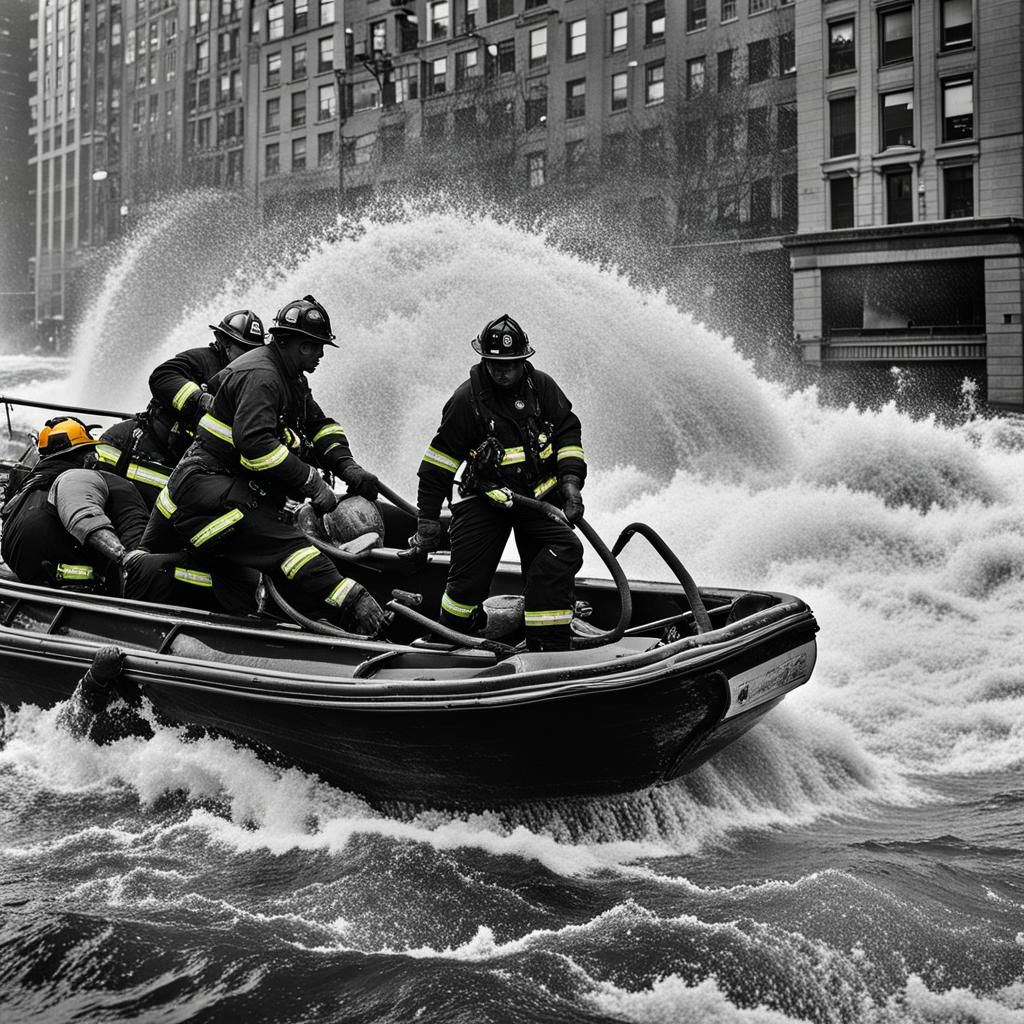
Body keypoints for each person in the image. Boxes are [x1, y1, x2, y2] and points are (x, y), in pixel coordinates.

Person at [155, 294, 386, 634]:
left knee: (244, 579)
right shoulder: (262, 376)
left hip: (223, 486)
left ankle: (253, 623)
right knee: (289, 546)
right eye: (315, 346)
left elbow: (319, 427)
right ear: (291, 343)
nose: (321, 354)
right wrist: (313, 482)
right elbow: (257, 446)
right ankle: (355, 603)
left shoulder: (290, 377)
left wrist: (347, 467)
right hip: (208, 488)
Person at [403, 313, 587, 652]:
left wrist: (571, 483)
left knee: (564, 549)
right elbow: (437, 465)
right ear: (484, 360)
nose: (503, 370)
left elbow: (567, 432)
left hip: (539, 500)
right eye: (495, 363)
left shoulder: (541, 387)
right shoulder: (466, 401)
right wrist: (427, 521)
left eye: (511, 364)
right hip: (487, 502)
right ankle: (451, 638)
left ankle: (548, 644)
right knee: (467, 585)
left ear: (523, 361)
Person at [95, 309, 267, 508]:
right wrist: (200, 399)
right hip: (146, 452)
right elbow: (162, 376)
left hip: (190, 466)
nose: (248, 356)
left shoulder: (252, 377)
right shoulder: (201, 360)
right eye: (243, 348)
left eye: (253, 350)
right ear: (224, 342)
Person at [0, 418, 148, 594]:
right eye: (92, 453)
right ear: (86, 457)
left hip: (27, 575)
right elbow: (84, 519)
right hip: (68, 581)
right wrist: (126, 558)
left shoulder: (27, 488)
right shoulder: (76, 477)